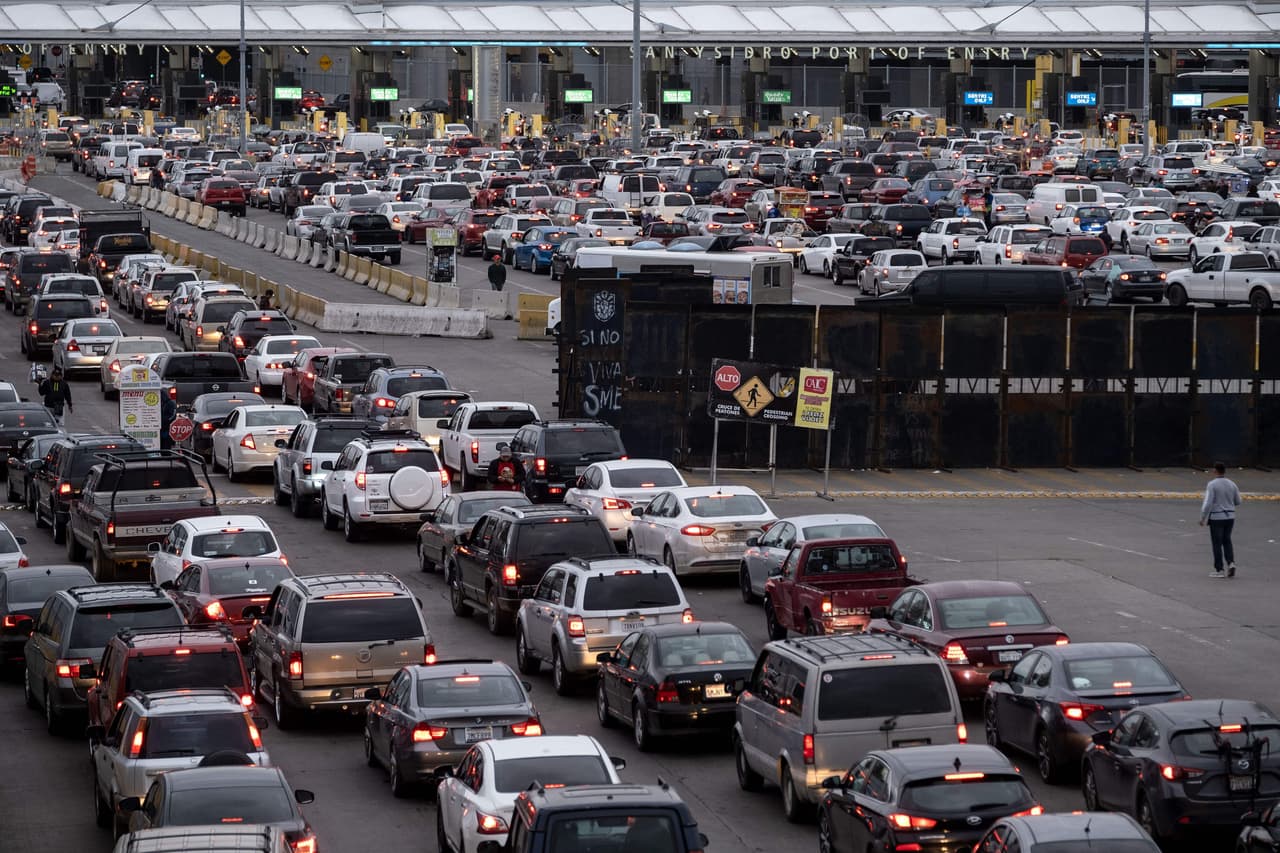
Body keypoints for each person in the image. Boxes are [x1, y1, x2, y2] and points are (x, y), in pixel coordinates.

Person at [1200, 462, 1242, 578]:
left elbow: (1208, 503)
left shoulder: (1212, 485)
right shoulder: (1232, 484)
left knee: (1217, 543)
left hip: (1217, 517)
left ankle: (1219, 570)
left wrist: (1203, 517)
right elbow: (1238, 501)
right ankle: (1231, 563)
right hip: (1230, 517)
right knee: (1227, 540)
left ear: (1215, 471)